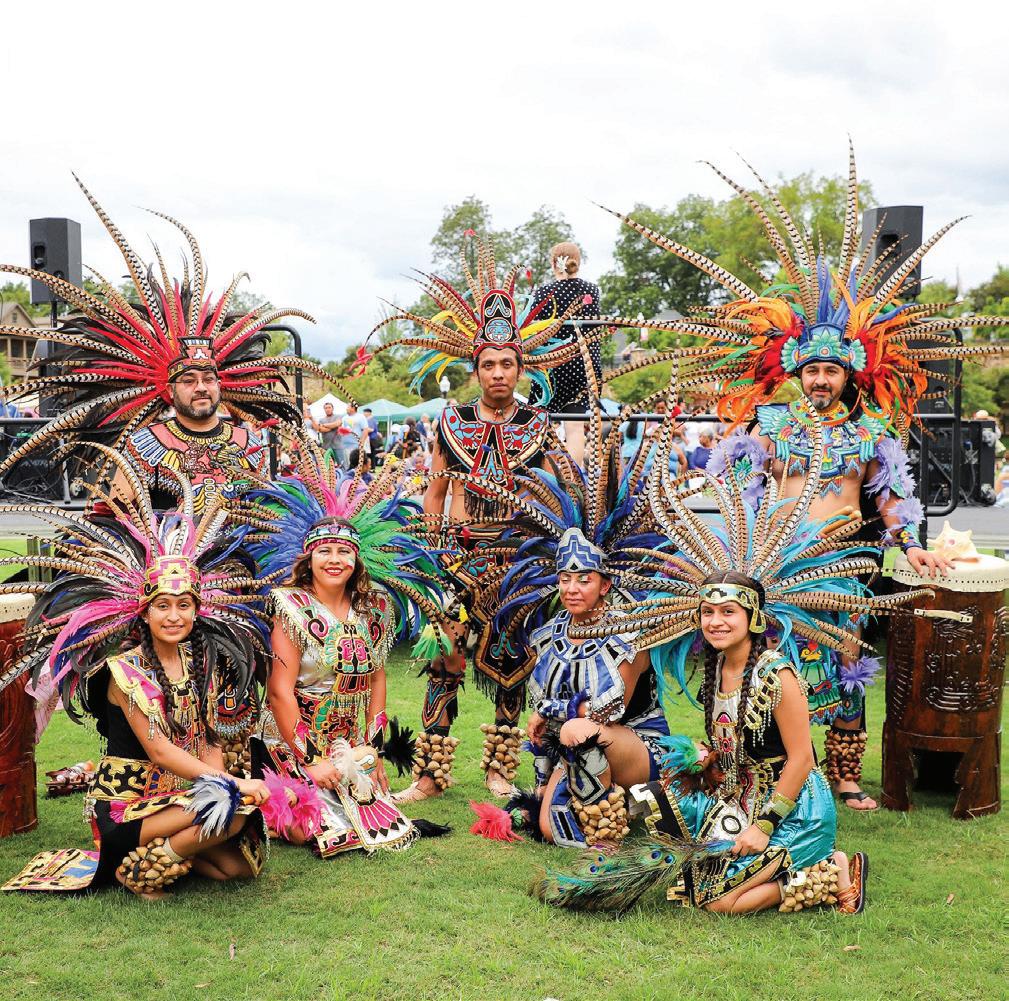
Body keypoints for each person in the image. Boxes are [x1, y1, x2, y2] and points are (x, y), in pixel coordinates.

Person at [608, 145, 1009, 811]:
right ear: (797, 372)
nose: (820, 380)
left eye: (831, 371)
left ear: (848, 374)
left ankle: (843, 773)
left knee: (846, 661)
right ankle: (748, 761)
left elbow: (890, 497)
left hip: (840, 563)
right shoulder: (769, 426)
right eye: (812, 370)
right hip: (773, 561)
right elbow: (733, 485)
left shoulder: (870, 432)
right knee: (758, 657)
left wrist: (908, 544)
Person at [533, 414, 928, 914]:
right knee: (680, 865)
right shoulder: (717, 673)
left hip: (792, 812)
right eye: (708, 613)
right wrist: (704, 763)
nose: (716, 622)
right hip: (736, 799)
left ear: (754, 617)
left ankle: (833, 873)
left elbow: (802, 760)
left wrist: (763, 826)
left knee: (719, 904)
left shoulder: (778, 675)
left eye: (728, 613)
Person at [0, 461, 272, 897]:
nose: (174, 616)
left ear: (197, 610)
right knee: (232, 810)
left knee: (237, 867)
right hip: (128, 810)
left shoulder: (202, 661)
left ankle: (168, 850)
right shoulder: (124, 672)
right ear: (144, 612)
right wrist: (233, 787)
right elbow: (160, 750)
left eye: (183, 605)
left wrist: (223, 781)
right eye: (162, 605)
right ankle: (140, 870)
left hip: (179, 799)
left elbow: (210, 741)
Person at [0, 175, 315, 493]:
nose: (201, 387)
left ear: (220, 384)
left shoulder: (248, 443)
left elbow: (268, 507)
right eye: (189, 380)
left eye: (208, 379)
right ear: (169, 389)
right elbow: (117, 512)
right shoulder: (144, 445)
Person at [246, 436, 450, 855]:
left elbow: (376, 680)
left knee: (373, 819)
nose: (335, 559)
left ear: (357, 559)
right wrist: (311, 760)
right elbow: (279, 691)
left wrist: (372, 749)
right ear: (308, 559)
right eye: (324, 551)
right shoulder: (290, 605)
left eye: (344, 551)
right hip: (290, 739)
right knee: (312, 829)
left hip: (347, 741)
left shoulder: (374, 607)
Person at [526, 242, 604, 466]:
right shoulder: (591, 290)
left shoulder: (544, 292)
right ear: (578, 262)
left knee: (540, 423)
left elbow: (536, 332)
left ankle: (543, 474)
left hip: (551, 364)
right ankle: (575, 478)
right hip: (583, 365)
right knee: (575, 427)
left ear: (553, 263)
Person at [310, 401, 346, 466]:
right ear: (324, 409)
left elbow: (337, 423)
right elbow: (321, 429)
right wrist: (333, 427)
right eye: (326, 408)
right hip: (326, 446)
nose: (328, 409)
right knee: (328, 466)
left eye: (329, 407)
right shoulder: (321, 419)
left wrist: (324, 425)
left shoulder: (338, 416)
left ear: (332, 408)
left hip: (337, 445)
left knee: (342, 465)